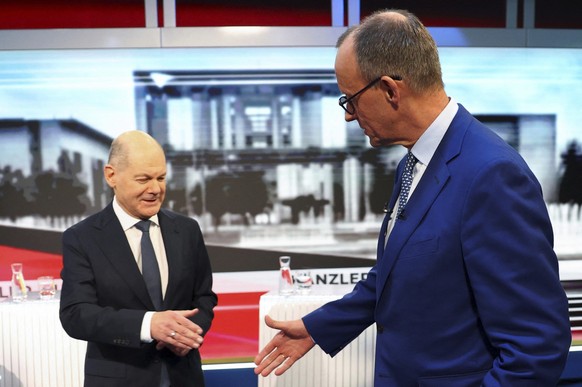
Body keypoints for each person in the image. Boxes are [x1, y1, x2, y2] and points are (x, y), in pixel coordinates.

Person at [254, 9, 572, 386]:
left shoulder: (492, 175)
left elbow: (536, 346)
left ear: (390, 90)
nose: (349, 117)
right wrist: (317, 327)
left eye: (350, 100)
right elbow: (394, 273)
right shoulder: (413, 164)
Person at [60, 130, 217, 387]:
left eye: (161, 178)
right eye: (143, 179)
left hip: (184, 377)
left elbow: (204, 297)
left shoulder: (187, 230)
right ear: (111, 175)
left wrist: (187, 334)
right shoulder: (82, 238)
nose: (155, 189)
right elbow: (76, 314)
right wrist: (148, 325)